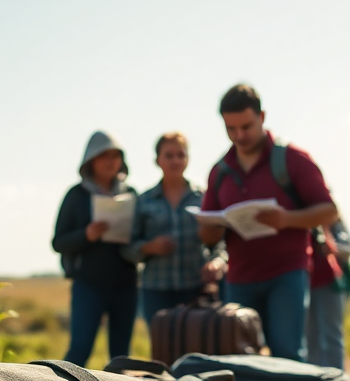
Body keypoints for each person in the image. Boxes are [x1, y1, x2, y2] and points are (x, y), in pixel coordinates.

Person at [198, 84, 338, 362]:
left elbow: (329, 211)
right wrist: (214, 227)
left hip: (287, 274)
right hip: (239, 279)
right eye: (231, 129)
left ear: (262, 116)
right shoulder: (219, 171)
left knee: (287, 353)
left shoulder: (292, 159)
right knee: (241, 357)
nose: (239, 135)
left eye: (246, 127)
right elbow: (208, 236)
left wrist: (286, 219)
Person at [51, 130, 140, 366]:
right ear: (91, 160)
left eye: (115, 155)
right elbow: (58, 242)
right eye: (104, 156)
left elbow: (140, 235)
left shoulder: (131, 194)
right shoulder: (76, 195)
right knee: (79, 351)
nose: (111, 161)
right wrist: (87, 235)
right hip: (88, 285)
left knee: (122, 357)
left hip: (125, 285)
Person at [122, 132, 226, 327]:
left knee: (196, 348)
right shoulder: (144, 201)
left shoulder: (203, 197)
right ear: (158, 160)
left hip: (196, 289)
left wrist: (217, 262)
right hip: (156, 289)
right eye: (169, 155)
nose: (175, 161)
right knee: (162, 347)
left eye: (181, 155)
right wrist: (149, 247)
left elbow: (221, 242)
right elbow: (126, 247)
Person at [304, 219, 350, 370]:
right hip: (304, 283)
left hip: (330, 281)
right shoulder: (297, 214)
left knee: (332, 335)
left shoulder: (333, 221)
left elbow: (349, 247)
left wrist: (333, 247)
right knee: (309, 338)